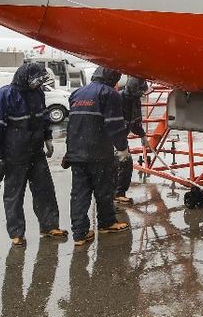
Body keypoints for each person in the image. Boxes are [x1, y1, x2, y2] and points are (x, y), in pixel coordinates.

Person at [0, 62, 66, 246]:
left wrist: (47, 138)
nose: (38, 83)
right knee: (14, 195)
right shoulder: (5, 95)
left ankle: (49, 227)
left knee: (45, 190)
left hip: (36, 152)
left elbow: (43, 117)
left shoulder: (37, 93)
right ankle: (16, 233)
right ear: (26, 78)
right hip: (14, 154)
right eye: (36, 79)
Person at [63, 67, 132, 246]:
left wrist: (69, 151)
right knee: (104, 190)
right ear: (112, 76)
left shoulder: (77, 93)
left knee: (79, 194)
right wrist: (122, 148)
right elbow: (114, 125)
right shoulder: (109, 94)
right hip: (99, 153)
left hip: (77, 153)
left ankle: (79, 233)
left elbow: (72, 126)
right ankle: (106, 223)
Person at [114, 75, 151, 205]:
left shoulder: (136, 101)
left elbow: (135, 123)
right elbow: (110, 123)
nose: (142, 94)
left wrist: (143, 135)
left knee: (126, 165)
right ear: (134, 89)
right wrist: (117, 145)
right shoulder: (117, 99)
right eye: (140, 91)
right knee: (114, 166)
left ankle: (119, 194)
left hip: (122, 137)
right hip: (112, 137)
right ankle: (111, 195)